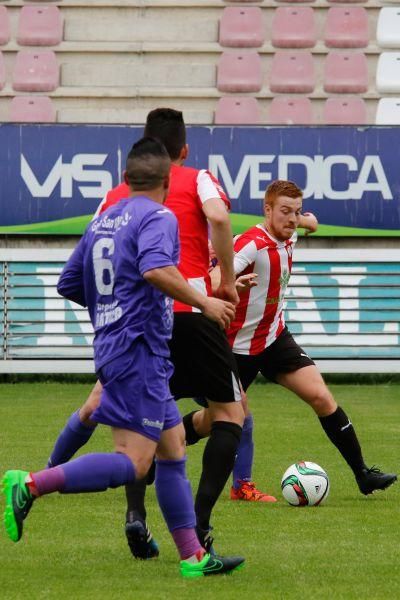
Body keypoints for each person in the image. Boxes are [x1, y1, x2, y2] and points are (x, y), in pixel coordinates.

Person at [1, 137, 245, 578]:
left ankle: (193, 558)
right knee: (135, 461)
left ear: (126, 179)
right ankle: (32, 484)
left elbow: (70, 282)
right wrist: (204, 302)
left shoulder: (105, 220)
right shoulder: (159, 216)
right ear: (168, 182)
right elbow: (154, 269)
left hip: (120, 346)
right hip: (140, 350)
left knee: (172, 451)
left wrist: (110, 308)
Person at [188, 179, 397, 497]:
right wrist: (232, 281)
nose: (291, 218)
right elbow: (213, 278)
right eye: (285, 211)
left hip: (273, 338)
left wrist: (308, 220)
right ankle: (171, 440)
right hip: (236, 347)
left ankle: (363, 474)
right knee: (221, 419)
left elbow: (307, 221)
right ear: (267, 209)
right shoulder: (251, 244)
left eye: (296, 212)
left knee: (322, 398)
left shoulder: (293, 229)